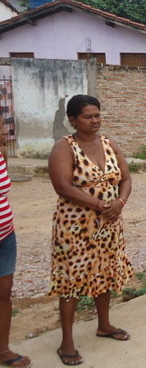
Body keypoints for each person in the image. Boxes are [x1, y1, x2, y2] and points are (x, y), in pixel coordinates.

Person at [48, 95, 134, 366]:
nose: (94, 120)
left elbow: (127, 178)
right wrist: (100, 204)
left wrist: (119, 203)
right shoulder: (64, 148)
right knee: (72, 282)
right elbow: (63, 187)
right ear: (72, 120)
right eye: (87, 116)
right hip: (76, 228)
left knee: (105, 273)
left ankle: (104, 325)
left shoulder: (109, 143)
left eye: (97, 115)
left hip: (109, 225)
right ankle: (67, 343)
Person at [0, 122, 31, 368]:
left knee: (4, 292)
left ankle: (3, 350)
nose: (5, 131)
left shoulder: (1, 151)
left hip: (6, 236)